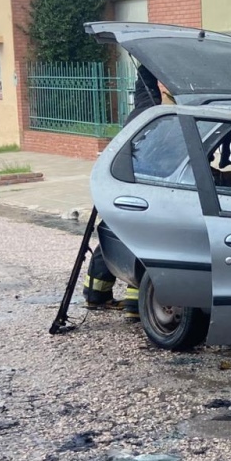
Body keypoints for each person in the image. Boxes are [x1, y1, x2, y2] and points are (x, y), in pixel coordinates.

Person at [82, 66, 172, 319]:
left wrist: (147, 65)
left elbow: (143, 90)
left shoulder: (143, 111)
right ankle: (133, 303)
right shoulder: (162, 118)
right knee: (142, 241)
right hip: (145, 187)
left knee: (113, 234)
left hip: (122, 185)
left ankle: (96, 294)